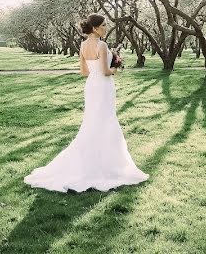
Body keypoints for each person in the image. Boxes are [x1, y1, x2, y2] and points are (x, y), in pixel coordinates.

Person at [24, 13, 149, 192]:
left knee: (92, 122)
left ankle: (90, 158)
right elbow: (106, 71)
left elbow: (84, 72)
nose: (106, 28)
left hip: (91, 86)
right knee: (106, 121)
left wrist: (106, 65)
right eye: (104, 25)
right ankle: (108, 164)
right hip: (104, 86)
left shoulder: (82, 45)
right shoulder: (102, 45)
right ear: (96, 28)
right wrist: (116, 67)